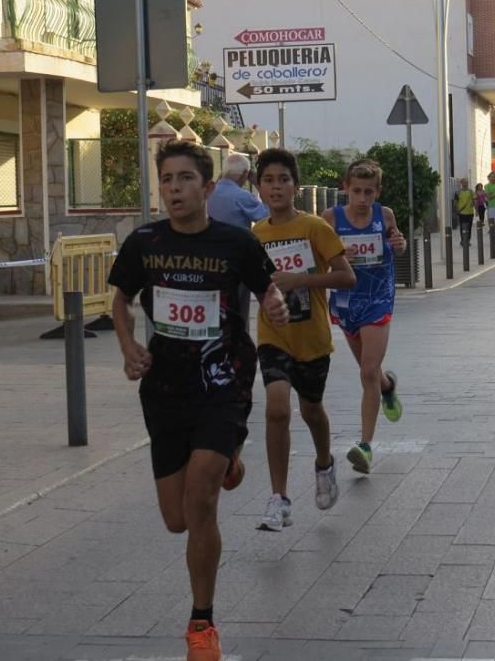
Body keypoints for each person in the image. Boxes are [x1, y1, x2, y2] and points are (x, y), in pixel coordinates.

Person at [109, 139, 289, 661]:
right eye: (166, 180)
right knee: (177, 518)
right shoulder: (143, 242)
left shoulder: (236, 244)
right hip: (165, 387)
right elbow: (118, 300)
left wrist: (274, 304)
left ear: (207, 187)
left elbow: (268, 289)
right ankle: (228, 459)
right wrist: (127, 347)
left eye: (184, 179)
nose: (173, 189)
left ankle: (202, 624)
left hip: (223, 379)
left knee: (202, 498)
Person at [252, 148, 356, 533]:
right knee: (277, 409)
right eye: (268, 180)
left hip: (311, 338)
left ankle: (324, 463)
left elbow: (347, 277)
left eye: (283, 179)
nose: (276, 187)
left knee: (312, 411)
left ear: (296, 186)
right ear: (258, 187)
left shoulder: (315, 228)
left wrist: (301, 280)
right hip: (272, 334)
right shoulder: (255, 235)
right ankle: (279, 499)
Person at [323, 159, 406, 475]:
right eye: (356, 191)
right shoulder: (330, 219)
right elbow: (318, 260)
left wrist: (399, 244)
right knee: (370, 373)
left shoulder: (384, 215)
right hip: (346, 302)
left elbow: (397, 246)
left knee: (367, 370)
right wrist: (339, 258)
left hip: (378, 298)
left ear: (377, 192)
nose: (361, 198)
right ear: (345, 188)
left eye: (368, 192)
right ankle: (387, 387)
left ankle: (366, 446)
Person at [207, 153, 271, 324]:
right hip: (237, 261)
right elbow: (268, 217)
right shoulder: (241, 196)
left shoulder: (208, 192)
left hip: (208, 261)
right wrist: (258, 185)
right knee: (238, 313)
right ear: (245, 174)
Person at [455, 178, 476, 247]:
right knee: (462, 227)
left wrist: (476, 209)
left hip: (470, 212)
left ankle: (468, 240)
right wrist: (456, 209)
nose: (465, 184)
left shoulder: (471, 192)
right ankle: (463, 240)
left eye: (466, 182)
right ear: (461, 183)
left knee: (469, 227)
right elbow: (455, 202)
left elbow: (474, 201)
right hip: (462, 213)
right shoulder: (458, 192)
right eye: (464, 182)